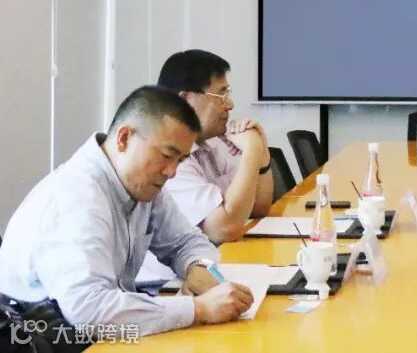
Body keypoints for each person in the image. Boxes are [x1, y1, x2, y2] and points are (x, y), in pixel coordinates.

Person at [0, 86, 254, 339]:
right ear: (124, 139)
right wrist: (198, 309)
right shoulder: (77, 198)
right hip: (43, 336)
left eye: (180, 160)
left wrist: (197, 267)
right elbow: (89, 311)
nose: (172, 172)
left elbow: (186, 241)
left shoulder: (140, 183)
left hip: (101, 330)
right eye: (167, 155)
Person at [138, 50, 273, 281]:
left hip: (208, 271)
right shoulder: (169, 160)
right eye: (220, 95)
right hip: (167, 287)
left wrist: (262, 154)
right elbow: (224, 228)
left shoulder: (208, 147)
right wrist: (251, 151)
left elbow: (258, 207)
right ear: (185, 100)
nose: (230, 105)